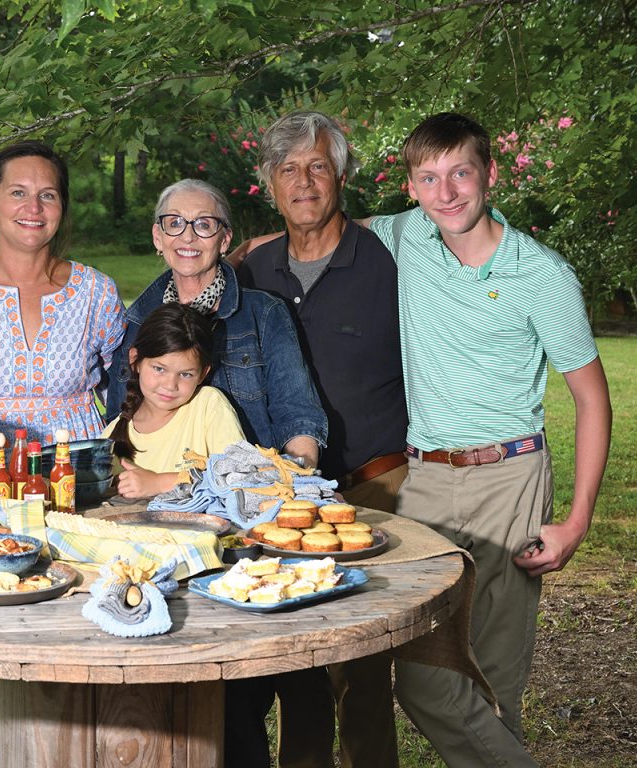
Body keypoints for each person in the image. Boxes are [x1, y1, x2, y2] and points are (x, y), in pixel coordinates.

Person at [363, 112, 611, 767]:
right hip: (427, 485)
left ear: (490, 174)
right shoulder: (405, 234)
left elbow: (591, 397)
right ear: (411, 187)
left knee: (496, 686)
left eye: (460, 173)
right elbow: (318, 237)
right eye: (428, 177)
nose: (445, 192)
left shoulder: (542, 274)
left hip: (511, 480)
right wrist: (227, 248)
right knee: (423, 681)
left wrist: (577, 521)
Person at [231, 111, 407, 768]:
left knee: (361, 664)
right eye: (288, 170)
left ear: (340, 178)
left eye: (317, 167)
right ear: (270, 185)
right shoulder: (251, 269)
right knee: (289, 656)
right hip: (277, 495)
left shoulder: (387, 262)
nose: (303, 182)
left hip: (374, 483)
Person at [105, 178, 326, 472]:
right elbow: (121, 418)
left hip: (246, 494)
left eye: (204, 225)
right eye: (174, 223)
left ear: (224, 240)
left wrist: (294, 481)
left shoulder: (264, 313)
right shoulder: (137, 322)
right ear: (158, 237)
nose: (187, 237)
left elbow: (297, 415)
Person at [0, 140, 126, 446]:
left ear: (62, 206)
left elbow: (127, 392)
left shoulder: (96, 291)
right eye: (18, 192)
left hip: (76, 470)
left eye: (48, 195)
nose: (34, 208)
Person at [103, 303, 245, 498]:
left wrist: (159, 482)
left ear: (203, 374)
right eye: (159, 369)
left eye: (185, 374)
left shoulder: (209, 405)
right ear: (135, 360)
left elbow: (241, 475)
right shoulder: (111, 434)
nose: (170, 385)